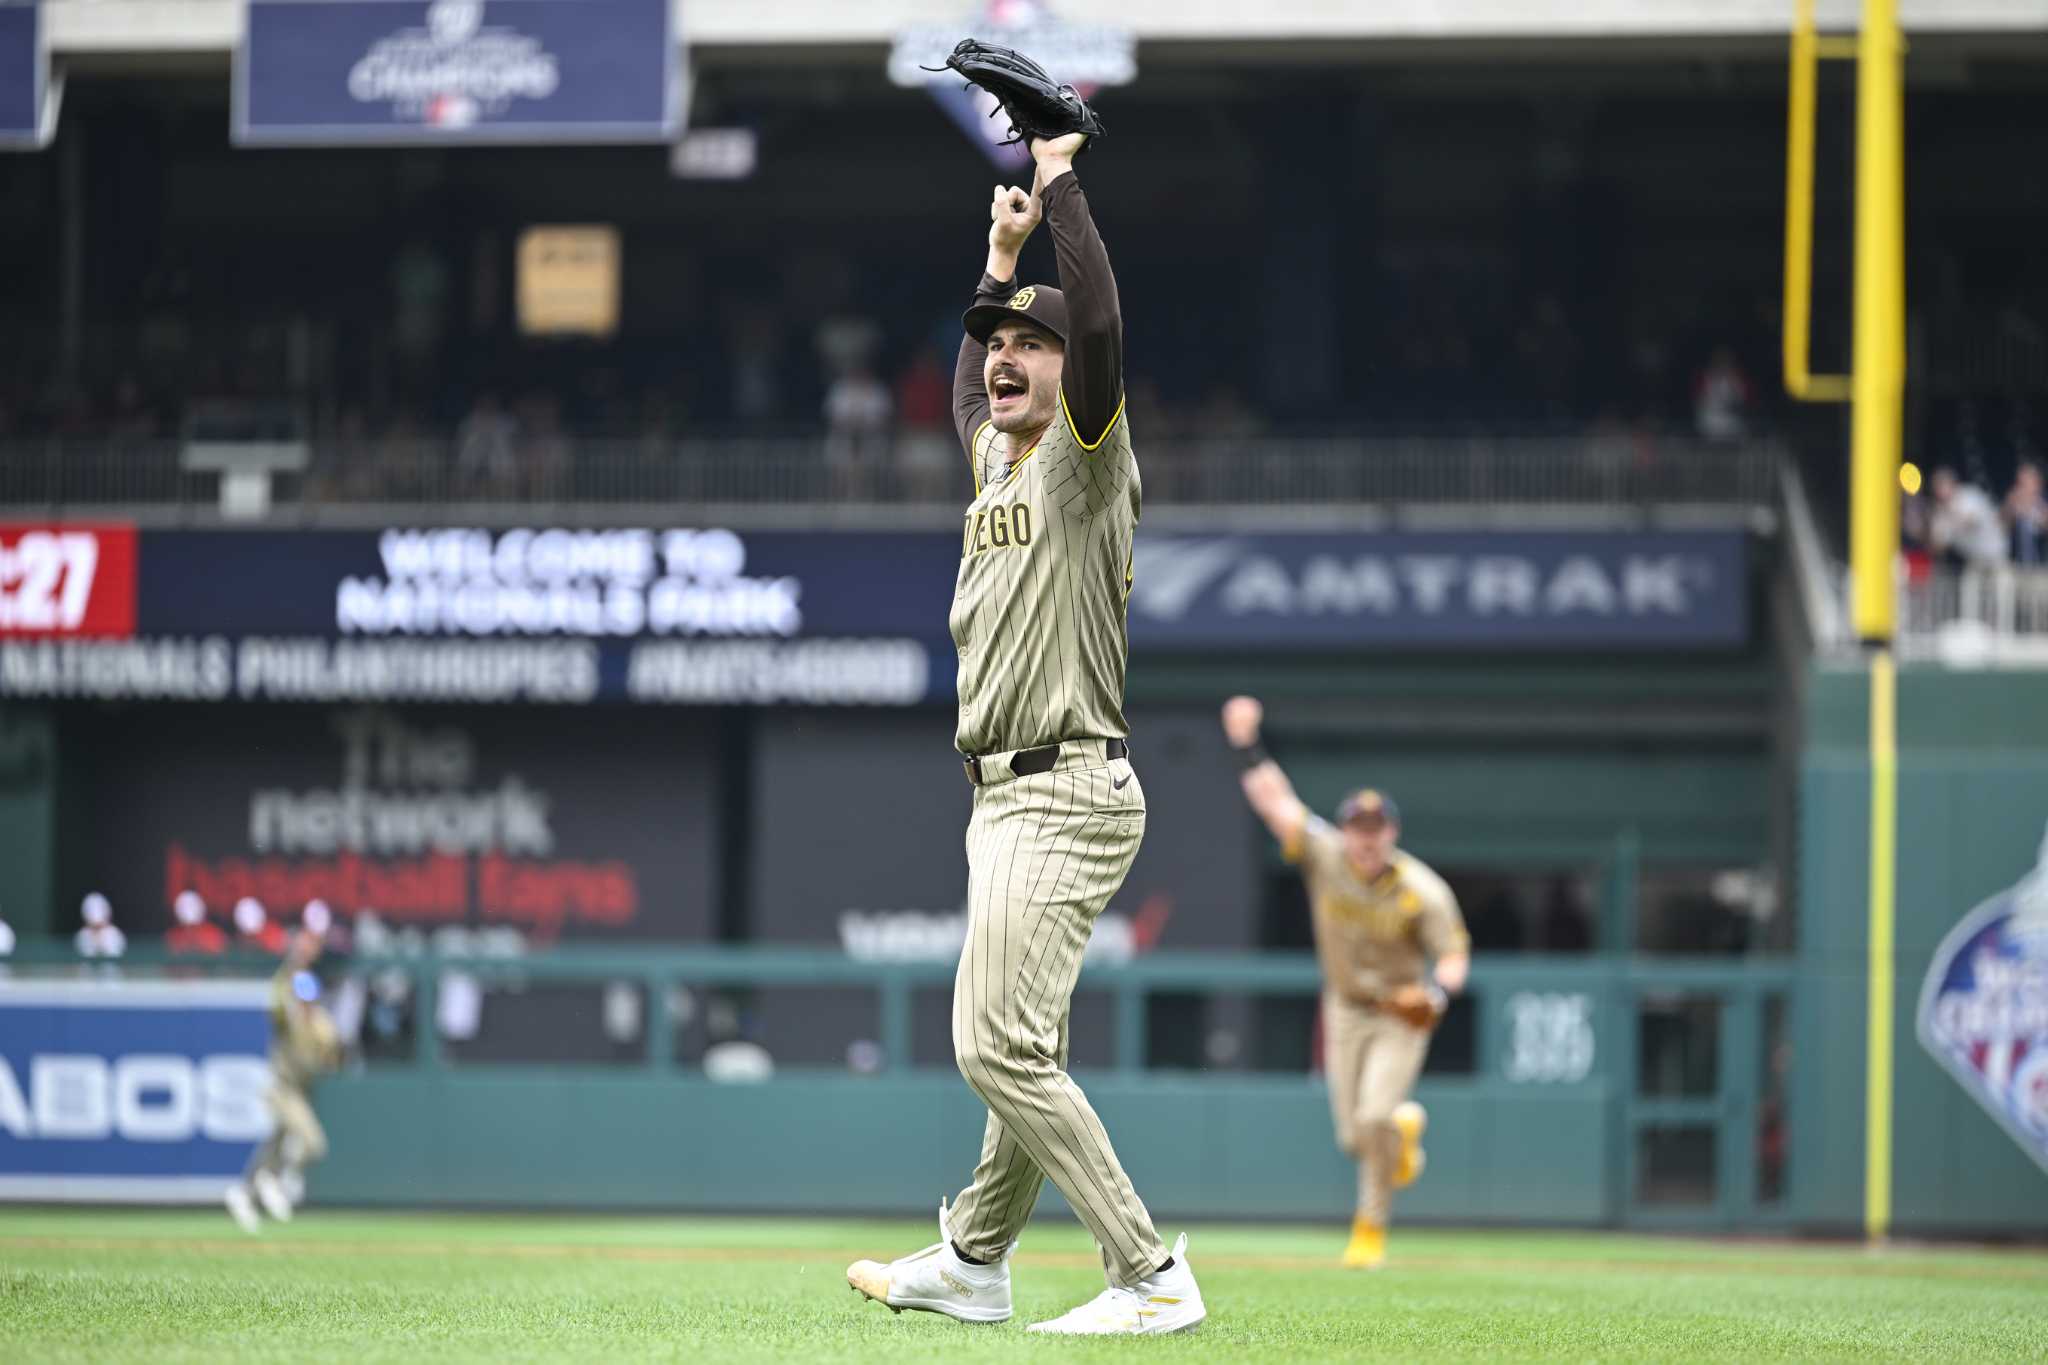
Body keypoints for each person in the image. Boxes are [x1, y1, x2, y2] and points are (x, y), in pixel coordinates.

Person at [846, 132, 1206, 1336]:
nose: (1003, 361)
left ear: (1070, 375)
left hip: (1061, 783)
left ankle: (1146, 1274)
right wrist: (996, 265)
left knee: (992, 1042)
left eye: (1027, 346)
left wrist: (1055, 188)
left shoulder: (1081, 465)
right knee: (1023, 1042)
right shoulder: (997, 463)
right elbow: (964, 391)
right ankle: (975, 1259)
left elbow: (1097, 320)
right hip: (1004, 796)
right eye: (1001, 342)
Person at [1219, 695, 1471, 1270]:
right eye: (1358, 826)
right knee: (1354, 1138)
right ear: (1345, 829)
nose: (1365, 838)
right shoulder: (1326, 854)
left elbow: (1454, 954)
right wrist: (1245, 744)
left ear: (1392, 833)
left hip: (1399, 1012)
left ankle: (1370, 1230)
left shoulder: (1421, 889)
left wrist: (1437, 995)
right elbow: (1273, 802)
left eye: (1376, 828)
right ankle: (1403, 1137)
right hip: (1346, 1006)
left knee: (1375, 1116)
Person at [225, 928, 341, 1234]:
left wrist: (330, 1053)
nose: (304, 1004)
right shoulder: (286, 1018)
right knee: (312, 1142)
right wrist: (293, 962)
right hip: (280, 1088)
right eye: (300, 999)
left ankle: (245, 1192)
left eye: (309, 998)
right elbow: (277, 1000)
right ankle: (277, 1182)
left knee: (275, 1144)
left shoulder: (322, 1025)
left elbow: (333, 1057)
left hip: (300, 1091)